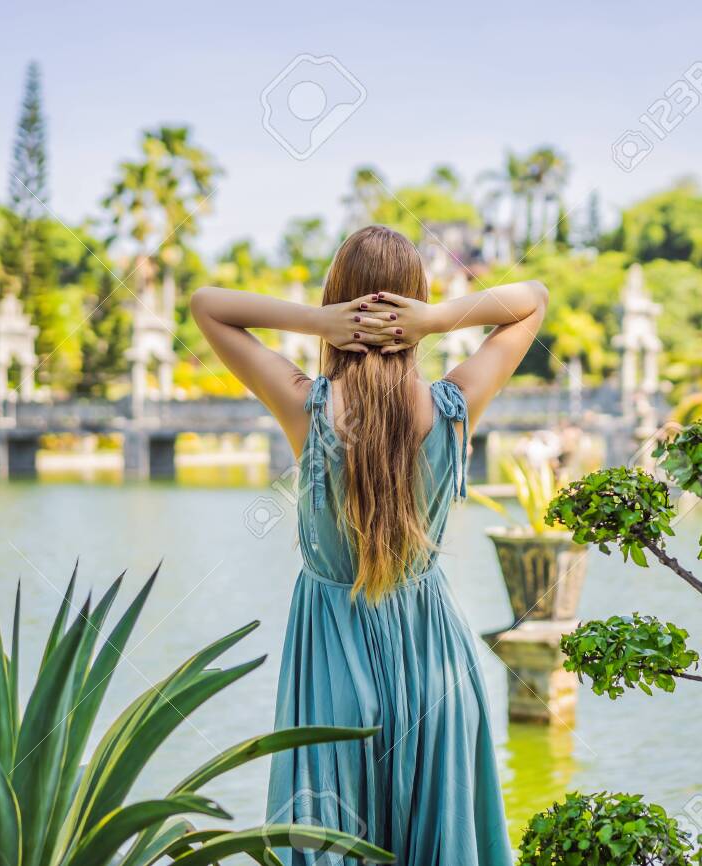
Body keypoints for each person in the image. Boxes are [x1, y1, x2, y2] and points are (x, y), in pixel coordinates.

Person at [190, 224, 548, 865]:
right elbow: (533, 299)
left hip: (334, 679)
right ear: (414, 304)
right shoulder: (454, 405)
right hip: (435, 671)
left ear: (336, 301)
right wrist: (438, 320)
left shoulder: (306, 405)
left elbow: (208, 306)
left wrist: (316, 322)